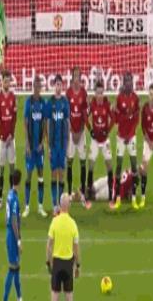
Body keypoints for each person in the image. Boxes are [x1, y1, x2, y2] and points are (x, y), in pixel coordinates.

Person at [46, 193, 80, 301]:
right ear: (69, 205)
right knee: (69, 295)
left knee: (55, 295)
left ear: (60, 205)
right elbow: (76, 248)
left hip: (57, 263)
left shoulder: (54, 222)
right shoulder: (73, 224)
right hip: (68, 264)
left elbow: (49, 245)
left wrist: (48, 262)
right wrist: (77, 265)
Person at [113, 72, 140, 210]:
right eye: (126, 81)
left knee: (134, 166)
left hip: (131, 137)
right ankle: (118, 198)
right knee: (118, 166)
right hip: (120, 137)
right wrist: (113, 112)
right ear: (124, 83)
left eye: (130, 81)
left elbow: (136, 119)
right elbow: (116, 119)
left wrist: (129, 135)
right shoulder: (119, 98)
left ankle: (134, 198)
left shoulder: (136, 98)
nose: (129, 83)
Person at [22, 75, 48, 218]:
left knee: (40, 175)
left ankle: (40, 206)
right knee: (28, 175)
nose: (38, 88)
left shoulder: (43, 103)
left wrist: (42, 143)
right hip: (30, 148)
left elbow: (44, 124)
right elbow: (25, 123)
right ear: (33, 87)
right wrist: (27, 144)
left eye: (39, 86)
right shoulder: (29, 102)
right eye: (36, 86)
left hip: (39, 148)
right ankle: (26, 207)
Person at [86, 80, 114, 209]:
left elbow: (113, 119)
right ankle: (88, 197)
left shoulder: (107, 105)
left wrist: (108, 130)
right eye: (98, 93)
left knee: (109, 166)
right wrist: (90, 130)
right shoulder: (92, 105)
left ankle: (111, 197)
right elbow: (85, 117)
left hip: (105, 140)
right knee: (91, 166)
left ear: (103, 93)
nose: (99, 96)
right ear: (95, 94)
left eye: (101, 93)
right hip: (95, 141)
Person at [47, 74, 70, 216]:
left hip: (62, 145)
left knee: (61, 174)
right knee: (53, 174)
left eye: (60, 85)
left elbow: (67, 123)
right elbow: (48, 124)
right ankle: (54, 204)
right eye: (56, 84)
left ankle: (61, 206)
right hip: (53, 145)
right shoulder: (50, 102)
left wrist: (67, 146)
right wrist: (49, 147)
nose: (58, 87)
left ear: (62, 86)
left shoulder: (65, 102)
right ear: (54, 86)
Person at [65, 67, 88, 204]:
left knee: (83, 162)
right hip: (71, 133)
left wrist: (79, 132)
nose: (76, 79)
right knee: (70, 162)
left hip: (81, 133)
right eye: (75, 76)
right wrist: (72, 132)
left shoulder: (84, 93)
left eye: (79, 76)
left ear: (80, 78)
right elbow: (67, 114)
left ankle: (83, 193)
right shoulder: (68, 93)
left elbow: (85, 115)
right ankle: (69, 193)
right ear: (72, 78)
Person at [0, 70, 17, 209]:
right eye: (5, 81)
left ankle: (11, 195)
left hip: (11, 138)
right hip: (2, 139)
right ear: (2, 81)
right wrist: (4, 135)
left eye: (8, 81)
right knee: (1, 169)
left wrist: (11, 134)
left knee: (12, 167)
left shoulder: (13, 97)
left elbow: (14, 118)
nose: (7, 83)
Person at [3, 168, 23, 301]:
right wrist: (19, 240)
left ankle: (19, 297)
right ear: (19, 182)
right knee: (13, 268)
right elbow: (14, 221)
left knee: (16, 267)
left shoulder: (9, 195)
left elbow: (6, 218)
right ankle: (5, 298)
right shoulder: (14, 199)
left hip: (9, 233)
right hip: (12, 237)